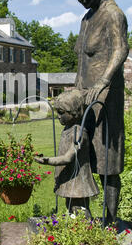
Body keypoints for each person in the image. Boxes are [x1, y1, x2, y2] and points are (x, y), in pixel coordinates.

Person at [64, 0, 129, 225]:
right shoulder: (86, 18)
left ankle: (112, 222)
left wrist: (102, 82)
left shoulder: (113, 14)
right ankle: (82, 218)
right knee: (82, 153)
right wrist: (76, 91)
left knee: (107, 163)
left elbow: (121, 49)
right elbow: (82, 61)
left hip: (105, 99)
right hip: (84, 99)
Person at [35, 89, 99, 218]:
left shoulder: (79, 133)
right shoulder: (68, 129)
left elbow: (68, 157)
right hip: (70, 176)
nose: (58, 116)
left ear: (74, 112)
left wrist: (47, 160)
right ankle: (76, 229)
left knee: (79, 207)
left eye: (61, 112)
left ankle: (86, 230)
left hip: (78, 178)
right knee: (70, 206)